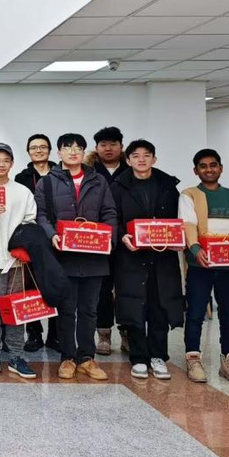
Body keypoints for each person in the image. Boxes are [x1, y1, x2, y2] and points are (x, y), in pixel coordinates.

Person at [34, 133, 117, 381]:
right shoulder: (47, 182)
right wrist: (51, 235)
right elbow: (41, 215)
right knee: (66, 310)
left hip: (94, 256)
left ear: (84, 152)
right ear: (58, 152)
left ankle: (87, 358)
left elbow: (109, 212)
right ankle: (67, 357)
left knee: (90, 310)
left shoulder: (98, 180)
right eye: (67, 147)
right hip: (63, 257)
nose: (73, 151)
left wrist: (109, 238)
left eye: (78, 148)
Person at [180, 148, 229, 385]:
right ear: (196, 170)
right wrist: (196, 249)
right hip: (200, 265)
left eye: (213, 165)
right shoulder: (189, 195)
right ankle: (193, 359)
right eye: (203, 166)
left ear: (221, 168)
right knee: (195, 314)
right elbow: (188, 225)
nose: (209, 169)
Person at [110, 140, 184, 380]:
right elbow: (112, 218)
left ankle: (158, 356)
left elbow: (179, 219)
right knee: (134, 305)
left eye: (146, 155)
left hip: (162, 257)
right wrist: (122, 236)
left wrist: (179, 237)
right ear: (128, 160)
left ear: (154, 159)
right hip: (131, 256)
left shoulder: (168, 186)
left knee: (160, 305)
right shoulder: (118, 186)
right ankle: (139, 357)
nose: (141, 160)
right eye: (135, 156)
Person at [0, 143, 38, 380]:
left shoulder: (23, 192)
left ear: (12, 164)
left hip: (17, 262)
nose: (1, 164)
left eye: (6, 160)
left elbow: (31, 223)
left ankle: (16, 356)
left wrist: (22, 247)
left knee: (17, 311)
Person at [15, 133, 58, 353]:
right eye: (34, 147)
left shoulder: (61, 173)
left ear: (50, 150)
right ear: (28, 151)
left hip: (58, 237)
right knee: (31, 285)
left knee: (56, 284)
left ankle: (55, 334)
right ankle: (34, 333)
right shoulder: (21, 177)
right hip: (32, 238)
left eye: (43, 147)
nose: (38, 150)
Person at [89, 126, 131, 357]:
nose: (108, 148)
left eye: (113, 144)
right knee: (102, 289)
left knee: (126, 287)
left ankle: (126, 332)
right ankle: (103, 333)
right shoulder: (90, 172)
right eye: (103, 144)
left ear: (121, 147)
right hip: (99, 239)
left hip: (127, 240)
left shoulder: (131, 170)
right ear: (96, 148)